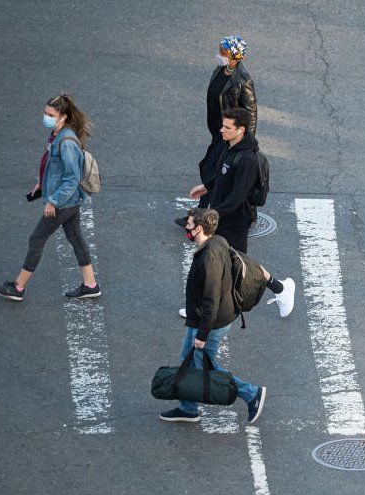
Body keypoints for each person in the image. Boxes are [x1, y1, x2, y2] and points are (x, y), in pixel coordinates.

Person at [159, 208, 268, 423]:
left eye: (189, 225)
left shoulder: (208, 258)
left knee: (205, 365)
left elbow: (211, 300)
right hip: (206, 318)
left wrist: (201, 335)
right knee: (188, 361)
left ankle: (250, 393)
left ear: (199, 228)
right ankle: (188, 407)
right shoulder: (218, 241)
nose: (186, 229)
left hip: (209, 322)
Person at [0, 94, 101, 302]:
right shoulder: (56, 134)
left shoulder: (66, 142)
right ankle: (91, 285)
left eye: (50, 115)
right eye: (45, 113)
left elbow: (71, 178)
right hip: (68, 201)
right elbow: (53, 167)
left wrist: (53, 200)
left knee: (36, 239)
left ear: (63, 117)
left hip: (63, 202)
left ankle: (18, 287)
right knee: (76, 238)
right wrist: (41, 183)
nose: (46, 117)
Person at [195, 36, 257, 209]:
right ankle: (205, 210)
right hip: (218, 131)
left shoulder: (243, 81)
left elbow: (251, 114)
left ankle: (202, 212)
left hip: (230, 135)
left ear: (235, 57)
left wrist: (246, 142)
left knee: (211, 169)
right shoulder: (220, 70)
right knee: (212, 169)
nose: (219, 55)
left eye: (223, 53)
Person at [189, 108, 260, 253]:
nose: (222, 130)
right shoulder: (229, 147)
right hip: (222, 217)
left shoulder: (247, 160)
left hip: (234, 223)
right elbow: (223, 174)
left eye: (227, 127)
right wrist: (206, 186)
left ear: (240, 130)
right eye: (223, 125)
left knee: (234, 261)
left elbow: (237, 197)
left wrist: (212, 214)